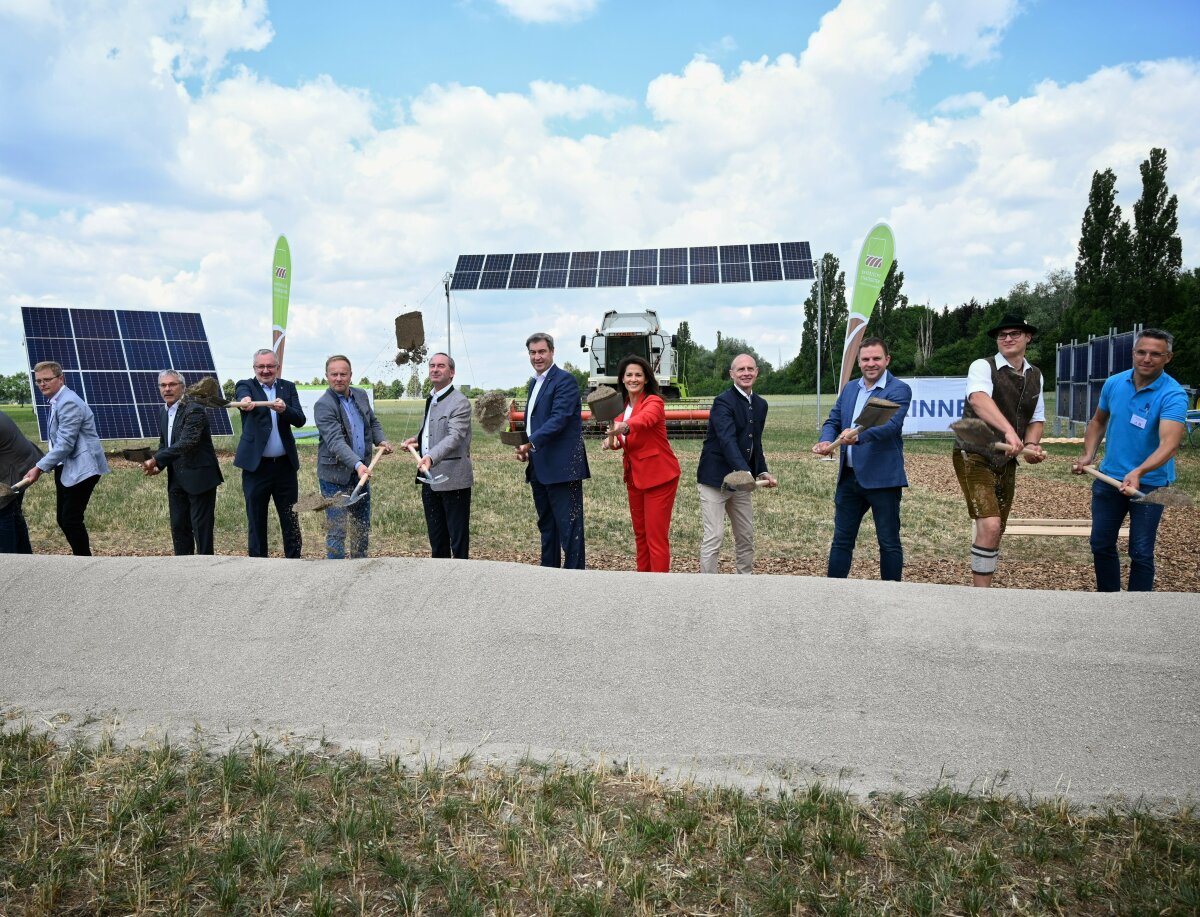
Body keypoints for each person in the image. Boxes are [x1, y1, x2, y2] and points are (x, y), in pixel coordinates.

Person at [1071, 328, 1187, 591]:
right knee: (1101, 544)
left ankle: (1138, 611)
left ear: (1168, 357)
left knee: (1141, 551)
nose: (1147, 359)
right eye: (1141, 352)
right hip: (1108, 478)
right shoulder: (1114, 383)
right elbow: (1098, 421)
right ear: (1133, 353)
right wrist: (1088, 455)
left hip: (1150, 484)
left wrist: (1139, 471)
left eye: (1155, 354)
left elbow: (1170, 444)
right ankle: (1109, 602)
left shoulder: (1173, 395)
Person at [952, 313, 1048, 587]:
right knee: (991, 524)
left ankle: (984, 588)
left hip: (1006, 459)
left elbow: (1036, 418)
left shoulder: (1035, 375)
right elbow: (979, 400)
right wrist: (1008, 430)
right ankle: (981, 597)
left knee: (996, 529)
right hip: (974, 453)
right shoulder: (982, 366)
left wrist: (1030, 446)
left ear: (1027, 337)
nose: (1007, 339)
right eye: (1002, 335)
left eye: (1014, 334)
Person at [813, 338, 912, 581]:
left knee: (888, 542)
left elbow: (890, 426)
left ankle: (891, 595)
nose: (871, 364)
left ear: (887, 360)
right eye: (866, 359)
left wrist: (858, 437)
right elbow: (834, 420)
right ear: (858, 362)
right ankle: (832, 593)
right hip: (849, 478)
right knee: (841, 541)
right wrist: (827, 440)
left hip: (883, 480)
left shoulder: (898, 389)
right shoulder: (850, 389)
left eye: (876, 358)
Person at [514, 333, 590, 569]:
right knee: (547, 526)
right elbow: (535, 420)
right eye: (533, 352)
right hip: (539, 466)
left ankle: (575, 577)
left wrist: (532, 442)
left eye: (542, 351)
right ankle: (548, 575)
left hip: (563, 467)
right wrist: (526, 446)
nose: (537, 357)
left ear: (552, 352)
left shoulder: (564, 380)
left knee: (570, 528)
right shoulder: (533, 383)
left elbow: (560, 418)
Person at [695, 353, 777, 574]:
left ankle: (744, 583)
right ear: (732, 374)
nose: (746, 373)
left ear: (757, 372)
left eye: (750, 369)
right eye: (741, 369)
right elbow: (727, 440)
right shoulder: (723, 402)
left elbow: (755, 442)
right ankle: (708, 586)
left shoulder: (761, 404)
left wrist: (762, 471)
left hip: (742, 483)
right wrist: (744, 471)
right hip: (715, 480)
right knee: (714, 536)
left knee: (745, 535)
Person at [18, 361, 109, 555]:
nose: (42, 384)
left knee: (70, 519)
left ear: (61, 379)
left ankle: (85, 561)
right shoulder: (58, 400)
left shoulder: (68, 402)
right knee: (63, 518)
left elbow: (66, 444)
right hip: (66, 465)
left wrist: (39, 468)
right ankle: (82, 558)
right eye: (38, 381)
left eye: (47, 379)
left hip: (83, 467)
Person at [603, 355, 681, 572]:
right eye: (629, 375)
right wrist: (611, 441)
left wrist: (623, 427)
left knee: (656, 538)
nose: (633, 379)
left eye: (638, 375)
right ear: (622, 379)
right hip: (635, 477)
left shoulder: (654, 402)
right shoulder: (623, 405)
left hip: (659, 476)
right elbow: (626, 439)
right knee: (641, 535)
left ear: (646, 379)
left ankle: (659, 588)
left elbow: (643, 421)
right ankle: (642, 582)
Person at [314, 355, 393, 559]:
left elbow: (372, 422)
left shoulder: (360, 395)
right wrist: (358, 464)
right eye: (334, 374)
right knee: (337, 530)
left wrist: (381, 440)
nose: (339, 378)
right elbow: (335, 442)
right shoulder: (323, 405)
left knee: (361, 526)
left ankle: (359, 570)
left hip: (360, 474)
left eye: (343, 374)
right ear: (327, 376)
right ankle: (336, 573)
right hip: (334, 478)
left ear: (350, 375)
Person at [141, 370, 224, 555]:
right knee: (179, 527)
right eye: (163, 385)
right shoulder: (163, 411)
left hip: (200, 478)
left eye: (172, 384)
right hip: (177, 477)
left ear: (183, 387)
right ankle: (182, 569)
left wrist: (156, 459)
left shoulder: (194, 408)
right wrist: (159, 465)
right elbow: (165, 443)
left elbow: (187, 442)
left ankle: (205, 569)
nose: (167, 389)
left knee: (201, 530)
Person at [233, 349, 305, 558]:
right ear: (254, 368)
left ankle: (294, 560)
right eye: (261, 367)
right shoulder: (246, 385)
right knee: (256, 519)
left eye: (270, 366)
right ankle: (257, 565)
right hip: (256, 468)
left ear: (277, 367)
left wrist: (284, 410)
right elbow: (242, 394)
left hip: (285, 467)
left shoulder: (288, 388)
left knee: (290, 517)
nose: (265, 370)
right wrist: (245, 400)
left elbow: (299, 419)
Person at [402, 352, 473, 559]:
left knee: (457, 539)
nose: (435, 369)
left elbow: (455, 437)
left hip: (453, 479)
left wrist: (431, 457)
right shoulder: (431, 398)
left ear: (451, 372)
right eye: (432, 365)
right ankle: (440, 581)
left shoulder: (459, 402)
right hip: (429, 480)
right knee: (437, 537)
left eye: (441, 366)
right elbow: (431, 430)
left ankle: (461, 579)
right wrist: (416, 439)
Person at [1, 410, 43, 553]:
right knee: (13, 513)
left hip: (15, 469)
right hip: (20, 463)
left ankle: (9, 560)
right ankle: (23, 557)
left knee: (3, 511)